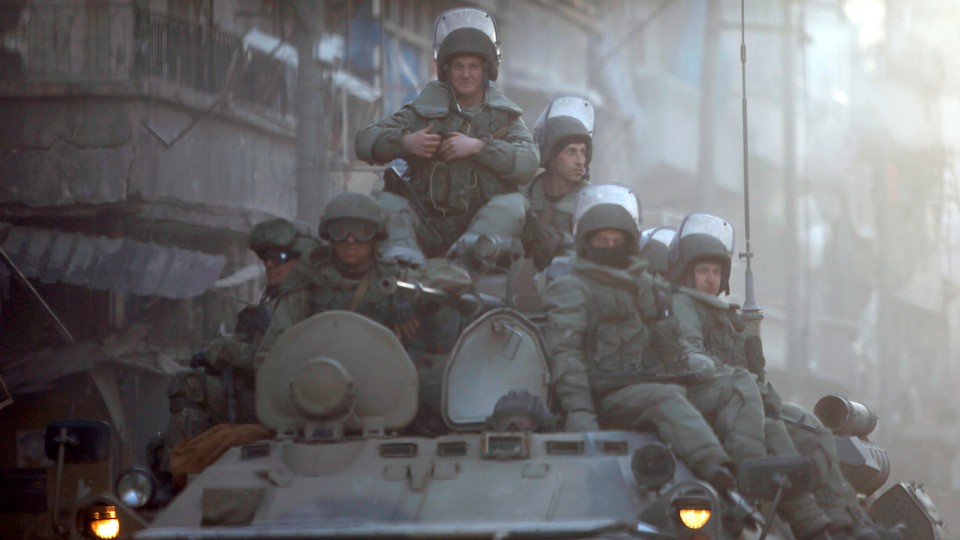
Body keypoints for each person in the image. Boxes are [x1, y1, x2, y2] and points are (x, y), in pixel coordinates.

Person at [667, 212, 903, 540]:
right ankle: (808, 520)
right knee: (774, 433)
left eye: (716, 271)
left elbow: (749, 376)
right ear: (688, 274)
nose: (709, 278)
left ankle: (848, 521)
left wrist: (750, 348)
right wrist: (740, 377)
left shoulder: (723, 315)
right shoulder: (683, 305)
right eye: (702, 271)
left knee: (814, 431)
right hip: (710, 403)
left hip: (740, 403)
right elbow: (691, 356)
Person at [542, 197, 736, 493]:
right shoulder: (572, 288)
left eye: (616, 240)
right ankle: (718, 470)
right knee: (666, 399)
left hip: (649, 384)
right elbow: (566, 355)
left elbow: (671, 344)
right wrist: (579, 412)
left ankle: (751, 478)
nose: (609, 247)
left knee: (730, 390)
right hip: (604, 393)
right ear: (586, 243)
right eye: (602, 240)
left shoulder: (644, 284)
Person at [255, 191, 474, 434]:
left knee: (438, 384)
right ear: (330, 238)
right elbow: (272, 353)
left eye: (361, 232)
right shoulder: (308, 282)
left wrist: (407, 292)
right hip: (320, 394)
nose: (351, 240)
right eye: (341, 232)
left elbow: (459, 280)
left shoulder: (391, 274)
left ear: (375, 237)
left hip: (383, 392)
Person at [354, 8, 538, 271]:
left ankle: (462, 265)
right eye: (458, 67)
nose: (465, 74)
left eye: (473, 66)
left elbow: (529, 162)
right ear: (446, 70)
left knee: (514, 204)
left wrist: (478, 147)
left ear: (486, 71)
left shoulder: (504, 117)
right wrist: (405, 143)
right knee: (384, 202)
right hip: (425, 226)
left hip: (480, 231)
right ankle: (405, 265)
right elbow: (363, 141)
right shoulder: (422, 111)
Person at [165, 219, 313, 456]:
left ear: (300, 260)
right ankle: (179, 466)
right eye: (266, 258)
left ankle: (176, 471)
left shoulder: (299, 301)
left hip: (282, 402)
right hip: (262, 394)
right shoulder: (275, 300)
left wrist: (220, 350)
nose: (270, 264)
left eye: (280, 257)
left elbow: (268, 359)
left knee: (189, 385)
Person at [521, 97, 594, 271]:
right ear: (551, 157)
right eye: (571, 152)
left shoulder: (590, 202)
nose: (580, 161)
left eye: (583, 152)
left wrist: (564, 242)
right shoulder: (524, 195)